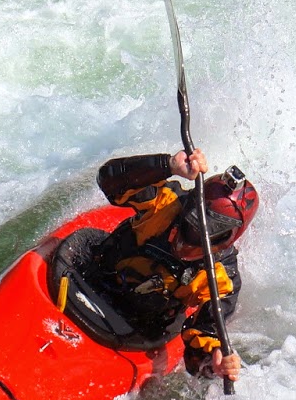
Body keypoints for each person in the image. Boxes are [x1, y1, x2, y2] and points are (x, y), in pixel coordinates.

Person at [89, 148, 259, 383]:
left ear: (226, 238)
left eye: (203, 235)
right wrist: (167, 165)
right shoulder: (166, 203)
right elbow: (108, 180)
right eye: (190, 226)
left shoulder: (222, 278)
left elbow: (198, 348)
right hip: (96, 279)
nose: (189, 239)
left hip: (140, 323)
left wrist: (214, 363)